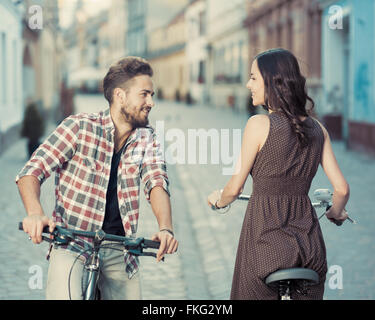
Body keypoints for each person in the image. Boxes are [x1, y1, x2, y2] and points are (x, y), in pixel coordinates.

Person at [16, 56, 178, 300]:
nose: (151, 102)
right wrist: (35, 212)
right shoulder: (79, 127)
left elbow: (156, 182)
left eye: (151, 95)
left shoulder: (147, 139)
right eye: (144, 94)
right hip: (72, 242)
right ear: (120, 95)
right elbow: (32, 171)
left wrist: (165, 228)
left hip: (119, 247)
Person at [207, 48, 350, 300]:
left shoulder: (258, 125)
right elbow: (342, 190)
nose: (247, 83)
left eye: (253, 77)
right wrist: (335, 213)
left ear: (272, 81)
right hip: (310, 250)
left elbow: (234, 189)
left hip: (265, 246)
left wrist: (218, 200)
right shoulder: (318, 129)